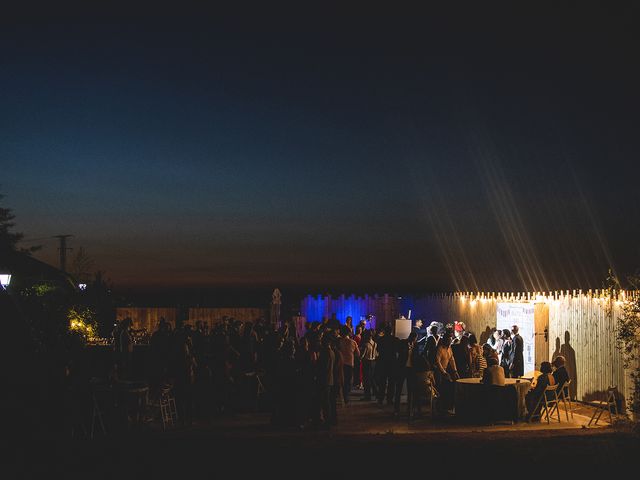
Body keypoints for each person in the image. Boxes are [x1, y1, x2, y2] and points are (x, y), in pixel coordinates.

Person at [394, 332, 417, 418]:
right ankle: (396, 409)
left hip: (411, 369)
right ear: (412, 337)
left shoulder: (415, 345)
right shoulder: (403, 343)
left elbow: (416, 356)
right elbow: (399, 352)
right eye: (415, 339)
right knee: (399, 389)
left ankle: (409, 410)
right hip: (402, 368)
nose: (415, 340)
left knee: (410, 390)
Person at [337, 325, 360, 405]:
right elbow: (358, 354)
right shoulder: (353, 342)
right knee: (348, 381)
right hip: (350, 364)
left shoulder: (339, 342)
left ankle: (341, 395)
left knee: (341, 381)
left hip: (341, 363)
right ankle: (346, 396)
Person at [359, 329, 377, 401]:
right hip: (373, 362)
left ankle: (367, 396)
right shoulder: (375, 343)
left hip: (367, 362)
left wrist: (359, 358)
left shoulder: (366, 344)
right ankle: (376, 393)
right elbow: (376, 354)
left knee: (366, 380)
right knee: (372, 378)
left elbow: (362, 355)